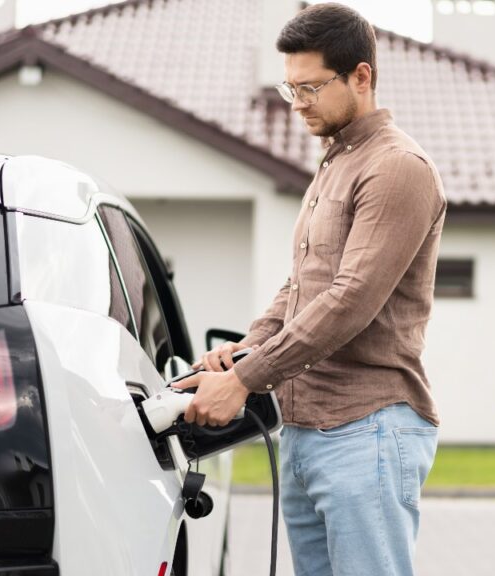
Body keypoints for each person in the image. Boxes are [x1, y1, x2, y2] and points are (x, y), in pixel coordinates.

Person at [174, 3, 446, 575]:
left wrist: (244, 380)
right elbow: (302, 286)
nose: (297, 103)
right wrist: (242, 352)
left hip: (366, 428)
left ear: (361, 77)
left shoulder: (397, 168)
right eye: (290, 88)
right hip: (306, 429)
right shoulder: (335, 164)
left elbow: (350, 300)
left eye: (311, 88)